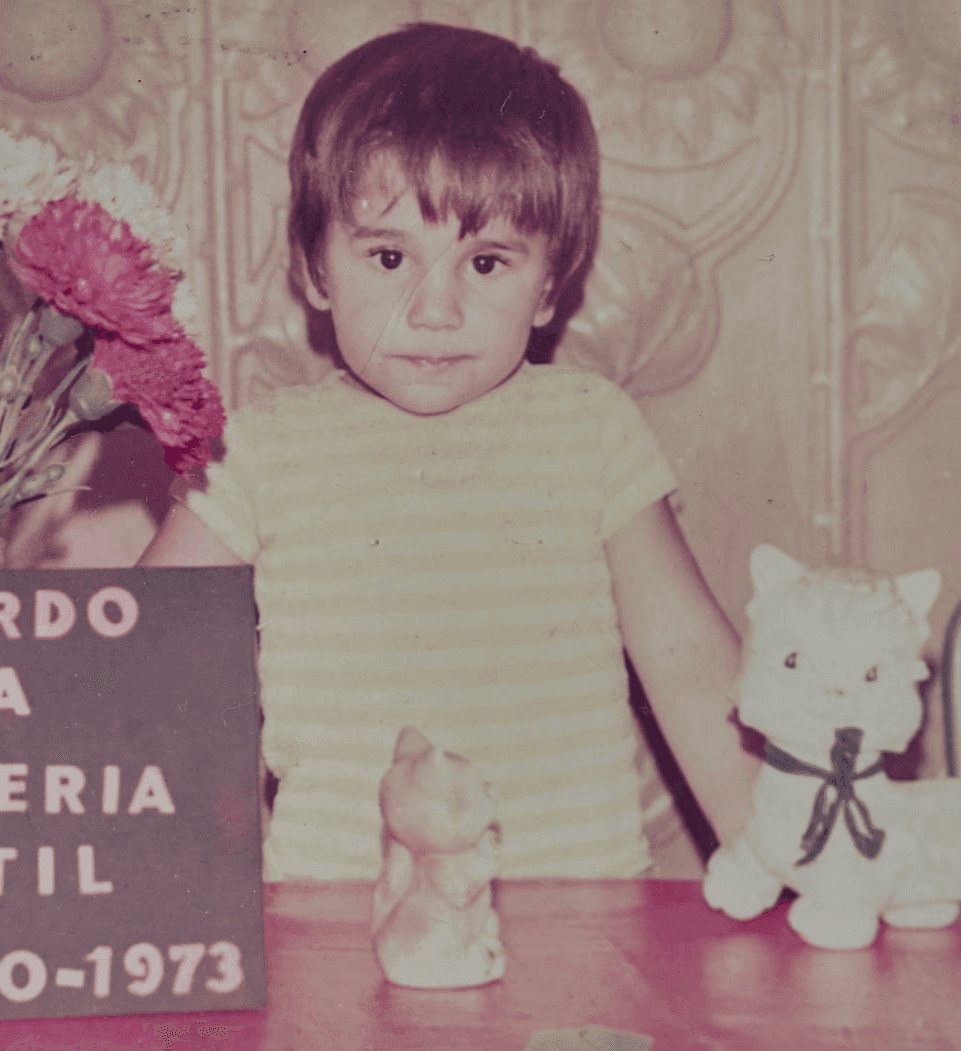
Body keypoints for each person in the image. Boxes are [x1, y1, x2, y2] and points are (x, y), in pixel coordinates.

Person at [139, 22, 759, 880]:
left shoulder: (590, 428)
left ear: (552, 281)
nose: (435, 310)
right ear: (315, 267)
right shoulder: (260, 449)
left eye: (488, 261)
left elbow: (690, 665)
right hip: (332, 923)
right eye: (389, 255)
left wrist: (790, 856)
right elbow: (135, 661)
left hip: (574, 913)